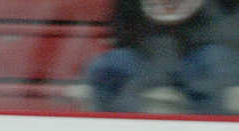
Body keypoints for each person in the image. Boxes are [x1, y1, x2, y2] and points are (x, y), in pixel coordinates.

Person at [86, 0, 239, 114]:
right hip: (147, 53)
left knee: (213, 60)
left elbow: (227, 28)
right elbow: (123, 28)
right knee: (110, 65)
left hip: (198, 52)